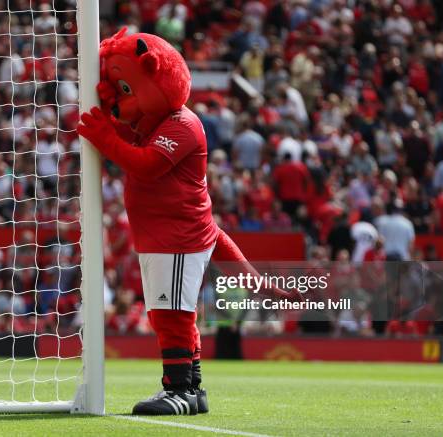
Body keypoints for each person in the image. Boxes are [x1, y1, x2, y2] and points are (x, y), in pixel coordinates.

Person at [77, 29, 297, 416]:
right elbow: (131, 132)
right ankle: (193, 389)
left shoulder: (183, 124)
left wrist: (105, 139)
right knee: (172, 313)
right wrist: (114, 118)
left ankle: (177, 388)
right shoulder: (155, 123)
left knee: (171, 315)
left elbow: (146, 166)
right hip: (164, 235)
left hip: (176, 237)